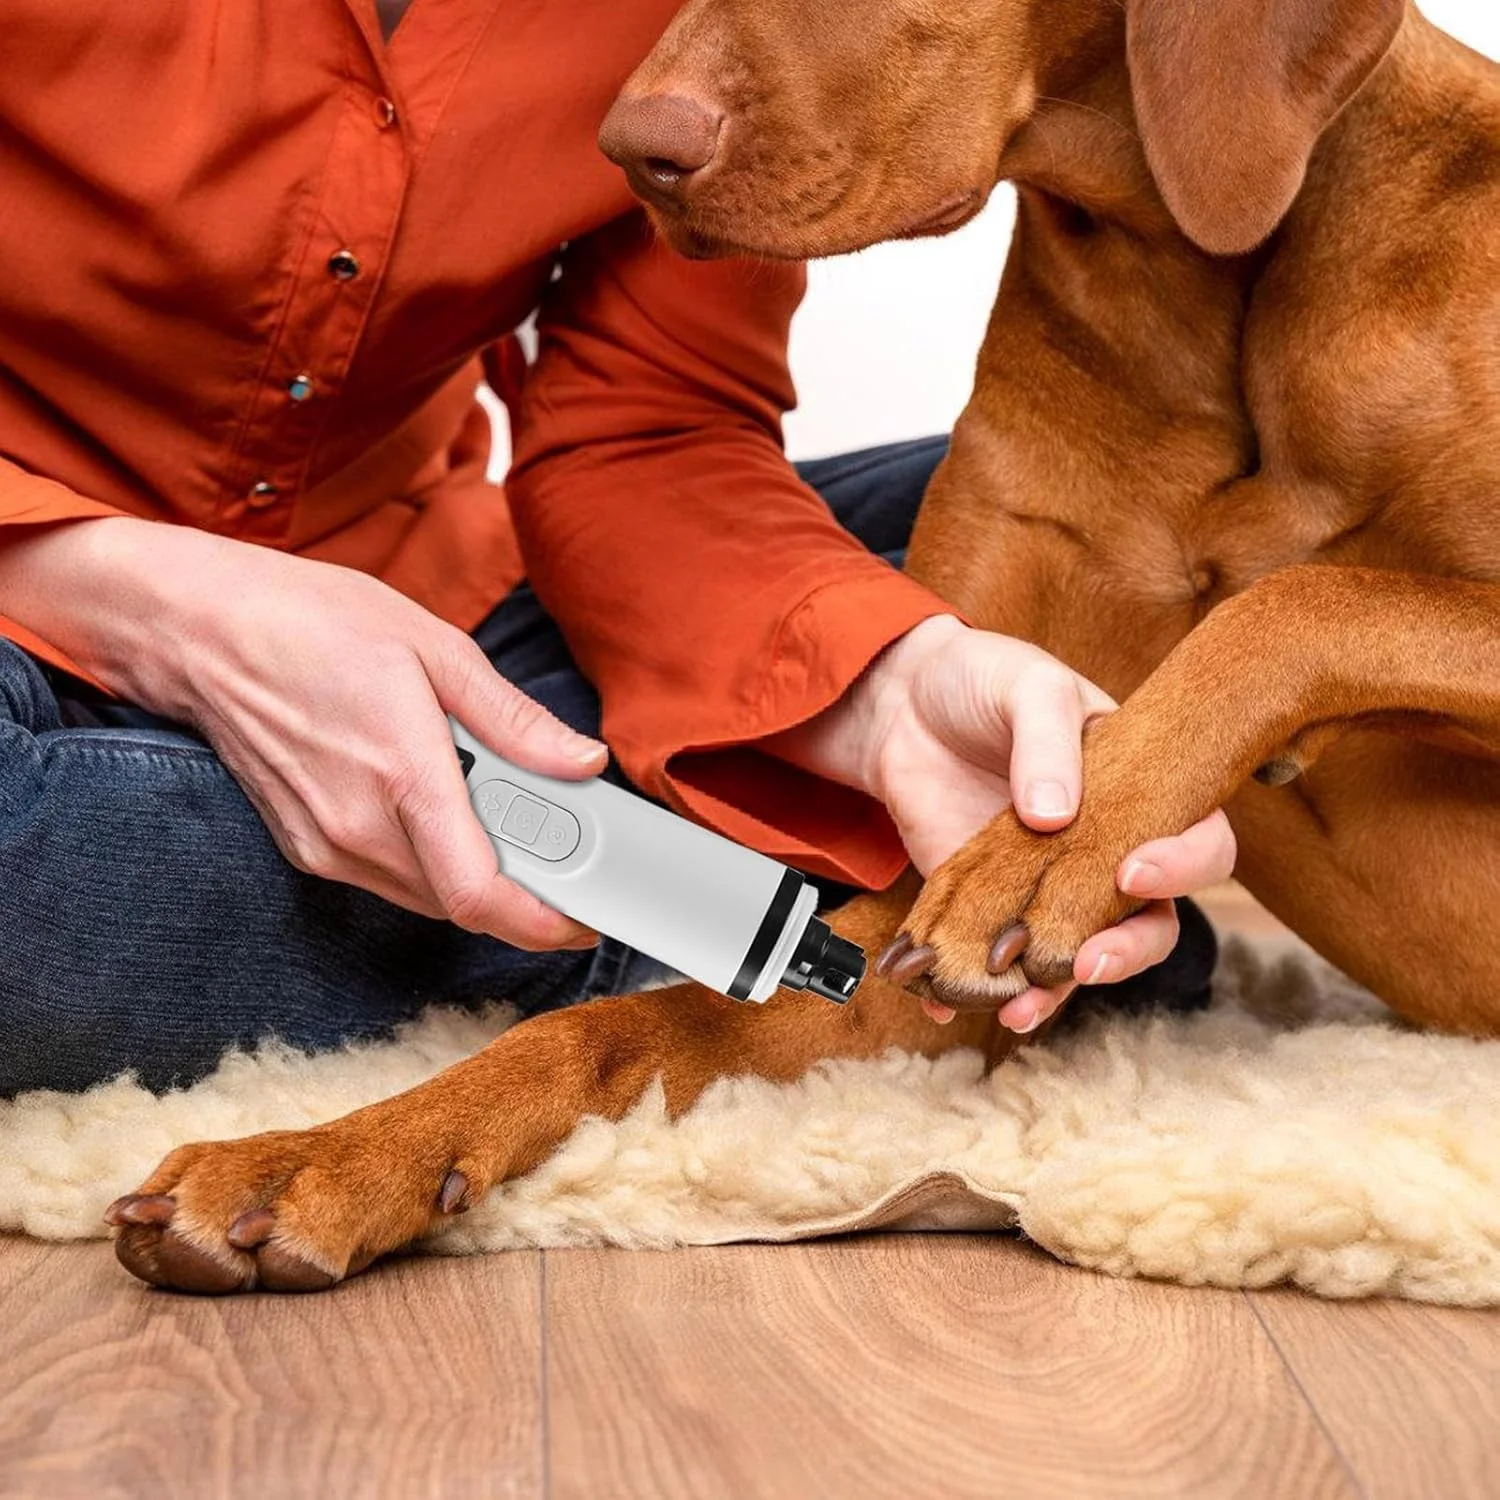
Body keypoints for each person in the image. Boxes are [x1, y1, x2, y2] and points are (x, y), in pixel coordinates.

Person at [0, 1, 1235, 1096]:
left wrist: (884, 687)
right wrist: (163, 605)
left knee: (1127, 549)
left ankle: (774, 917)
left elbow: (647, 429)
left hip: (430, 629)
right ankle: (789, 950)